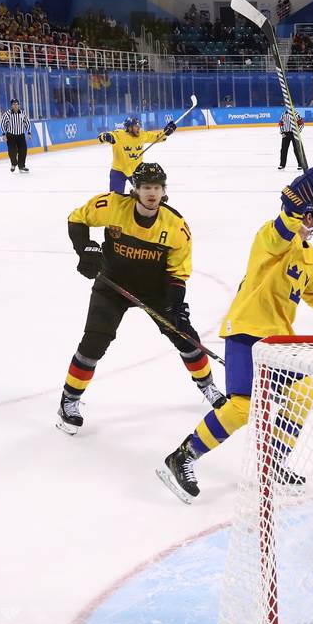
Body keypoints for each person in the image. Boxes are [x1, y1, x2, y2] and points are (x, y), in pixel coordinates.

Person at [156, 168, 313, 503]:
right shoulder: (269, 240)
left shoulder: (309, 255)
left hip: (278, 341)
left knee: (303, 393)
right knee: (243, 408)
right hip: (246, 331)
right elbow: (279, 233)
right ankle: (182, 456)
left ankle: (273, 463)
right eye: (310, 216)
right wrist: (289, 210)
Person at [57, 163, 224, 435]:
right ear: (135, 190)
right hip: (112, 285)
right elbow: (76, 219)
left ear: (163, 191)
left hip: (154, 288)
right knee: (94, 340)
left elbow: (177, 272)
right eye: (146, 187)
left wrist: (177, 305)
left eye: (157, 188)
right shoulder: (111, 205)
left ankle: (208, 386)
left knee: (186, 336)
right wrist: (85, 250)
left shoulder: (176, 227)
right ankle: (69, 400)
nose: (152, 193)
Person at [98, 115, 177, 194]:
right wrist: (105, 137)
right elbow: (103, 136)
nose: (138, 128)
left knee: (144, 194)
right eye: (136, 126)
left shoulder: (142, 134)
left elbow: (157, 137)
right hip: (118, 171)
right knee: (115, 197)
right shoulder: (119, 135)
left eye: (139, 125)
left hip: (136, 171)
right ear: (129, 128)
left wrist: (166, 132)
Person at [0, 98, 31, 173]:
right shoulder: (7, 114)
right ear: (11, 105)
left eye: (17, 104)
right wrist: (4, 134)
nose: (15, 106)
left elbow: (27, 122)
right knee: (12, 151)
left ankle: (21, 166)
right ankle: (14, 163)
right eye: (14, 104)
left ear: (18, 105)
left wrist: (29, 132)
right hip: (11, 136)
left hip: (21, 135)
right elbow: (2, 124)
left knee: (23, 150)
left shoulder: (22, 113)